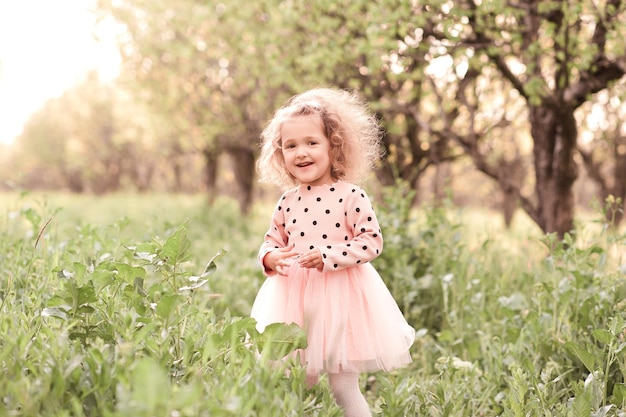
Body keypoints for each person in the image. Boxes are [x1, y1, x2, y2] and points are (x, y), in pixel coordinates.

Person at [250, 87, 415, 417]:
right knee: (301, 380)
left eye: (312, 142)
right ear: (280, 154)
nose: (301, 153)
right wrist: (269, 257)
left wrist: (328, 256)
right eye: (290, 146)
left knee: (342, 386)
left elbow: (371, 241)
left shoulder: (351, 195)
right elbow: (271, 240)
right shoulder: (287, 201)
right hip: (294, 301)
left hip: (342, 299)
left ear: (334, 145)